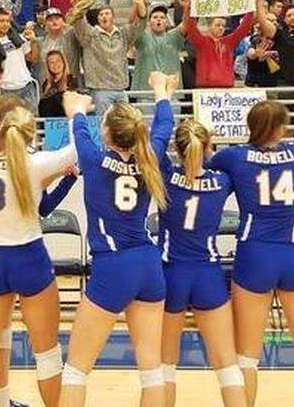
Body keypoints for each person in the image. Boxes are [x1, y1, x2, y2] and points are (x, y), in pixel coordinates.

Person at [206, 101, 294, 407]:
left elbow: (205, 164)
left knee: (247, 357)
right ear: (280, 128)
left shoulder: (233, 156)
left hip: (255, 255)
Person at [0, 105, 78, 407]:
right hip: (29, 259)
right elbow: (75, 151)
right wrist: (76, 114)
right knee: (47, 354)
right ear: (30, 135)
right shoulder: (36, 164)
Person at [58, 78, 171, 407]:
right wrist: (161, 92)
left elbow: (78, 125)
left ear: (106, 133)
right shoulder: (150, 157)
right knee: (152, 371)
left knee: (76, 370)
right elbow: (164, 126)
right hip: (148, 265)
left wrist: (78, 108)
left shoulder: (93, 160)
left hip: (113, 265)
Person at [155, 86, 246, 407]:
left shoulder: (165, 177)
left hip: (170, 274)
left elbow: (157, 138)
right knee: (227, 365)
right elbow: (234, 162)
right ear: (207, 148)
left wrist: (162, 95)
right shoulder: (222, 181)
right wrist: (211, 153)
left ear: (177, 149)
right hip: (208, 274)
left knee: (164, 365)